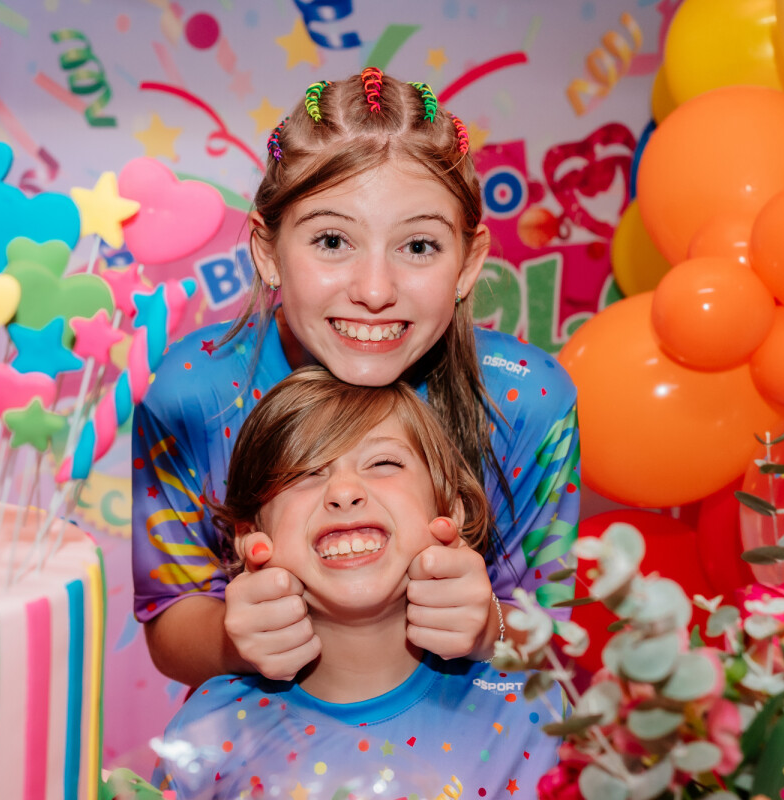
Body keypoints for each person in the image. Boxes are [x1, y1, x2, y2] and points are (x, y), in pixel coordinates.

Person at [133, 68, 580, 689]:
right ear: (267, 251)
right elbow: (171, 624)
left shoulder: (527, 401)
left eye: (418, 246)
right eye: (332, 240)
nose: (374, 290)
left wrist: (491, 628)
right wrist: (232, 638)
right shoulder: (192, 395)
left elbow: (553, 638)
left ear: (467, 262)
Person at [150, 367, 562, 798]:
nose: (344, 491)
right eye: (305, 472)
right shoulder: (205, 735)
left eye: (384, 463)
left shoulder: (536, 716)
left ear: (450, 510)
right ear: (250, 535)